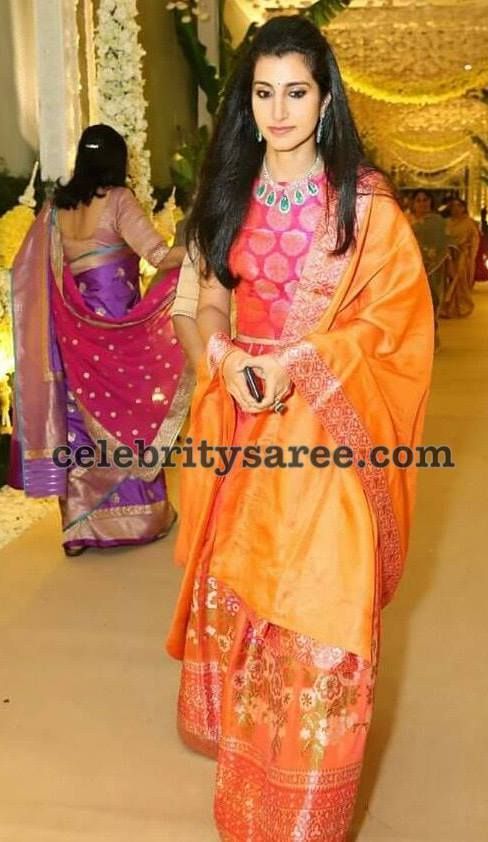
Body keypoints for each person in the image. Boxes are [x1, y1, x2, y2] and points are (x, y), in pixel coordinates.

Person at [166, 16, 433, 841]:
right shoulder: (227, 190)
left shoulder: (366, 207)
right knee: (253, 617)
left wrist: (306, 360)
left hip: (334, 441)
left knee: (327, 619)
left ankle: (309, 819)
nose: (279, 110)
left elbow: (396, 324)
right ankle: (252, 799)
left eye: (297, 92)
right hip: (243, 434)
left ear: (325, 101)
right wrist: (220, 355)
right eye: (263, 92)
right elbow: (201, 300)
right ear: (247, 102)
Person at [10, 124, 192, 556]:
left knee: (78, 423)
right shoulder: (119, 200)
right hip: (114, 331)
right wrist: (209, 249)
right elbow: (159, 257)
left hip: (71, 333)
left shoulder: (56, 206)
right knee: (126, 417)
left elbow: (27, 269)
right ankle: (136, 520)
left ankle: (79, 529)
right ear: (118, 160)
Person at [410, 189, 451, 351]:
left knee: (430, 303)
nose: (422, 203)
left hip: (432, 270)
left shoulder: (437, 221)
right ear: (413, 203)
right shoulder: (405, 220)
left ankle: (432, 338)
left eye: (425, 200)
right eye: (418, 200)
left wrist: (430, 261)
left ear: (431, 202)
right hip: (408, 270)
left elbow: (443, 246)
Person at [440, 197, 480, 319]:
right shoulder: (446, 222)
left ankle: (462, 307)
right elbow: (442, 238)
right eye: (453, 206)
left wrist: (470, 255)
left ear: (463, 208)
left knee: (460, 281)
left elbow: (475, 240)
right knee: (448, 281)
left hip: (463, 256)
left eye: (459, 206)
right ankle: (447, 309)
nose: (456, 209)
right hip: (448, 256)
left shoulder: (469, 223)